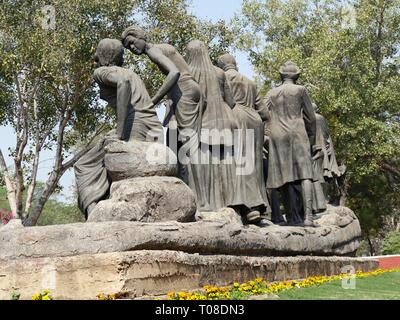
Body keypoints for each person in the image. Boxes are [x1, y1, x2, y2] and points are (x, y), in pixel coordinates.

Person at [74, 39, 163, 218]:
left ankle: (92, 211)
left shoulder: (101, 72)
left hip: (135, 126)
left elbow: (122, 84)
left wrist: (120, 133)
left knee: (83, 164)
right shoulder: (131, 73)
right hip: (153, 127)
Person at [121, 26, 207, 203]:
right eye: (128, 48)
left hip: (183, 91)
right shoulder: (162, 47)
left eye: (132, 43)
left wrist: (153, 100)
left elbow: (174, 72)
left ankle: (201, 200)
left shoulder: (153, 50)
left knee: (190, 147)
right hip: (190, 90)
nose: (132, 48)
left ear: (140, 37)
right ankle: (198, 196)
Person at [264, 61, 322, 227]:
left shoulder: (272, 93)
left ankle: (286, 216)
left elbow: (262, 111)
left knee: (281, 175)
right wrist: (312, 142)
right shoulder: (300, 90)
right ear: (296, 76)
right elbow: (310, 118)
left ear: (281, 75)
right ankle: (308, 217)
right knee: (305, 175)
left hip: (277, 135)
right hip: (298, 133)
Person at [217, 53, 271, 225]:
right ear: (235, 64)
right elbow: (264, 113)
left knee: (235, 162)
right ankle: (258, 208)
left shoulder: (221, 77)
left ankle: (243, 207)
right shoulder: (251, 82)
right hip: (254, 121)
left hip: (234, 117)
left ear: (221, 65)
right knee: (253, 164)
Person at [185, 40, 237, 211]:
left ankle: (206, 204)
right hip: (223, 123)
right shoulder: (220, 73)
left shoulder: (187, 73)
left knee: (202, 166)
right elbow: (231, 101)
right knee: (224, 166)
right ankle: (227, 205)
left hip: (200, 124)